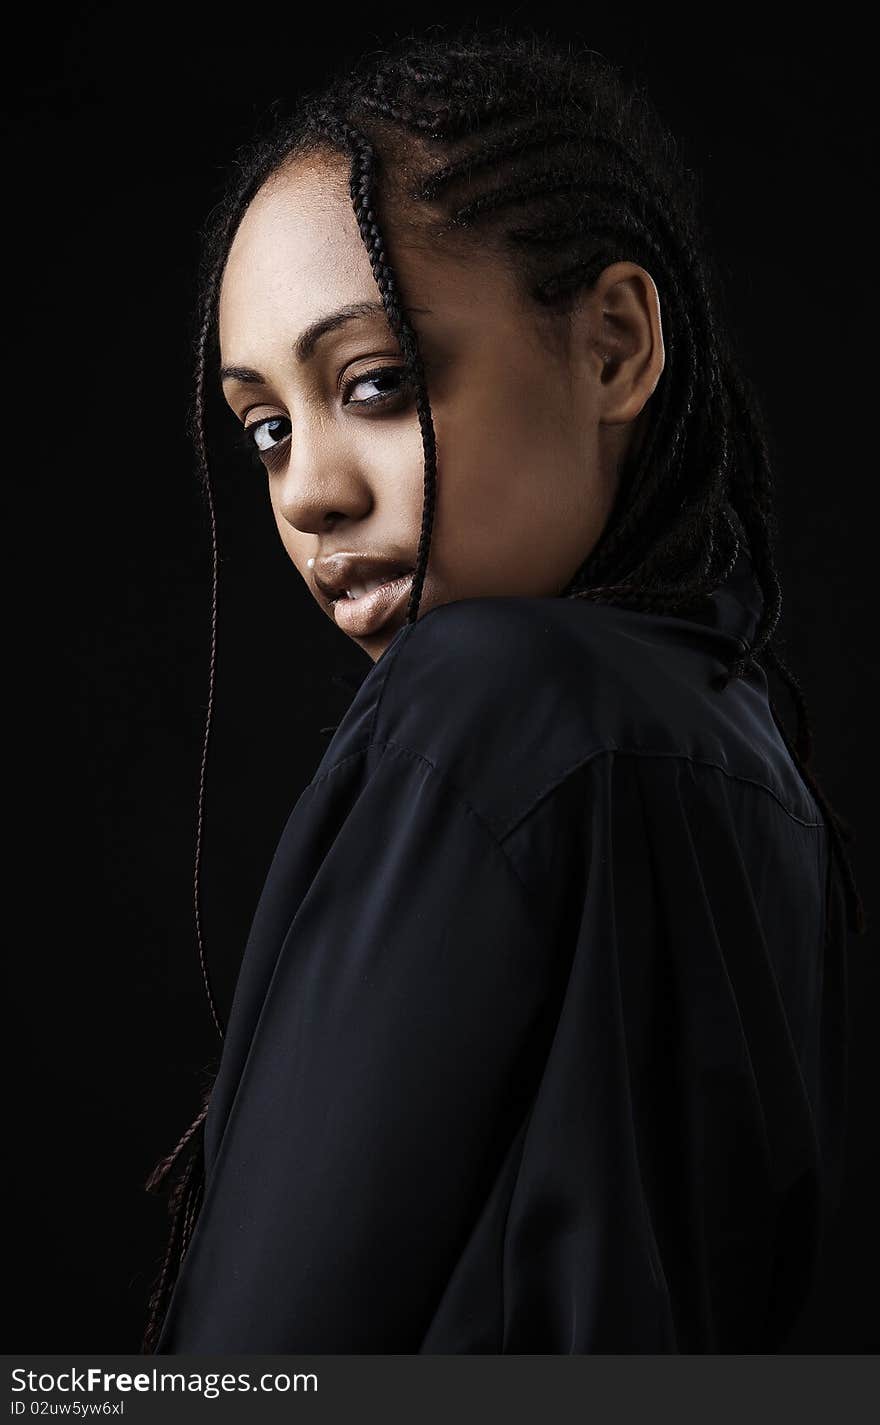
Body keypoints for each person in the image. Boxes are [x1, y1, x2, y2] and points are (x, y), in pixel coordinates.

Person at [141, 28, 866, 1354]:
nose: (307, 491)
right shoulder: (758, 771)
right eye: (267, 426)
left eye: (374, 383)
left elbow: (255, 1364)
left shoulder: (489, 702)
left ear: (613, 345)